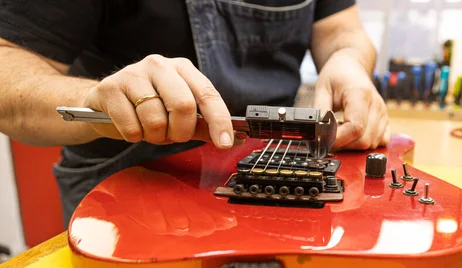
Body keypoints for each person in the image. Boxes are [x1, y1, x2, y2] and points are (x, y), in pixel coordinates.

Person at [0, 0, 390, 225]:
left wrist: (348, 59)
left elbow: (340, 28)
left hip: (283, 183)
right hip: (130, 192)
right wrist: (97, 99)